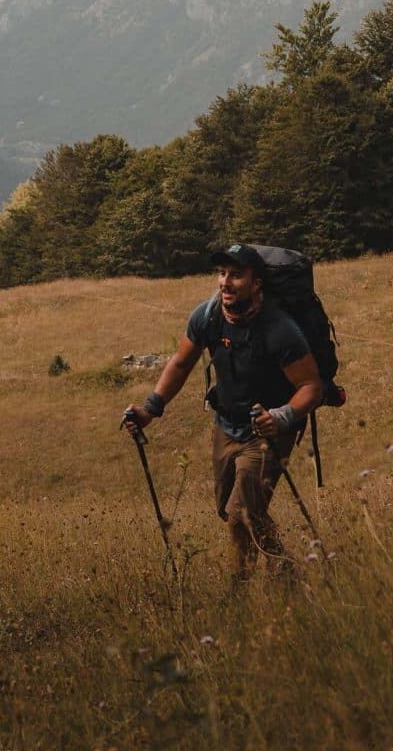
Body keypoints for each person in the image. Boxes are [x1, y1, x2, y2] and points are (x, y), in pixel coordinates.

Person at [124, 244, 322, 582]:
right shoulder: (208, 316)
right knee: (232, 511)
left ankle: (237, 591)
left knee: (240, 514)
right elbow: (181, 362)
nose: (225, 283)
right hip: (226, 425)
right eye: (222, 274)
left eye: (236, 275)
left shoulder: (278, 328)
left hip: (269, 433)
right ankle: (286, 568)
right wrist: (150, 409)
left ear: (257, 283)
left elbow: (312, 387)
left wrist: (282, 417)